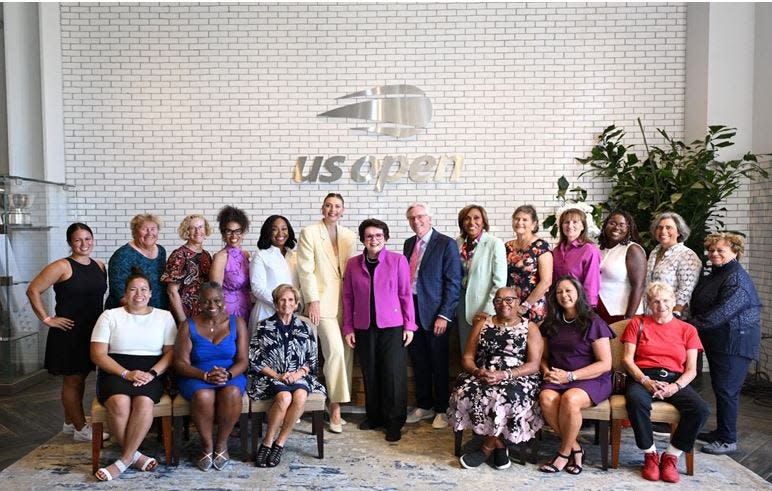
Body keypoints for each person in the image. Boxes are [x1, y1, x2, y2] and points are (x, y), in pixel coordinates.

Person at [89, 269, 177, 481]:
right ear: (125, 294)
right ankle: (135, 457)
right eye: (133, 289)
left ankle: (124, 460)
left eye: (144, 289)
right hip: (115, 370)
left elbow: (171, 353)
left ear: (151, 293)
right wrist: (126, 373)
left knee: (144, 402)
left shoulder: (164, 316)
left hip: (151, 371)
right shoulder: (110, 315)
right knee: (119, 402)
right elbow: (97, 354)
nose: (139, 294)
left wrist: (153, 373)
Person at [621, 282, 710, 484]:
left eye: (666, 300)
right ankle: (650, 455)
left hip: (674, 379)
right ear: (649, 304)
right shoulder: (638, 323)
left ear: (674, 301)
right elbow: (626, 359)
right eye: (656, 301)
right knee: (636, 400)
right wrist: (645, 381)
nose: (661, 305)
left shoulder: (688, 330)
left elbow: (691, 370)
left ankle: (671, 456)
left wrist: (675, 386)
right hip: (643, 375)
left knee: (700, 409)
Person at [26, 223, 108, 442]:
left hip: (91, 332)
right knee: (73, 381)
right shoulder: (62, 266)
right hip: (69, 331)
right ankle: (82, 428)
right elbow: (33, 290)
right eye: (78, 240)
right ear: (70, 243)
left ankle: (70, 423)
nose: (84, 244)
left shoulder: (100, 265)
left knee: (81, 379)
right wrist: (47, 319)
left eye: (88, 239)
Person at [448, 286, 544, 470]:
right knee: (465, 391)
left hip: (519, 376)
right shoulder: (482, 324)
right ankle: (500, 446)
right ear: (494, 304)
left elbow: (534, 365)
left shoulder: (529, 327)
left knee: (504, 396)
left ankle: (486, 448)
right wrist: (477, 372)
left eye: (509, 299)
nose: (504, 304)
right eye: (498, 300)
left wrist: (506, 374)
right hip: (483, 373)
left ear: (518, 302)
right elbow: (467, 358)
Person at [343, 219, 416, 442]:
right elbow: (348, 297)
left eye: (378, 235)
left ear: (385, 237)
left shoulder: (398, 260)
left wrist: (409, 325)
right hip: (364, 326)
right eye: (369, 236)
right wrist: (348, 327)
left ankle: (394, 422)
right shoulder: (353, 263)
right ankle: (374, 417)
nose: (373, 239)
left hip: (393, 326)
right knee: (370, 372)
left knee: (393, 374)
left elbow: (405, 294)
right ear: (363, 239)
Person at [690, 232, 762, 455]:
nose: (714, 254)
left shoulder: (737, 279)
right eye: (712, 250)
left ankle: (729, 439)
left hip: (734, 342)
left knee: (727, 390)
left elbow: (722, 313)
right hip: (719, 339)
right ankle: (721, 431)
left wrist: (687, 326)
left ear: (735, 252)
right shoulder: (718, 273)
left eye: (720, 250)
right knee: (721, 388)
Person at [538, 276, 615, 474]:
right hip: (559, 377)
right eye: (559, 292)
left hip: (591, 378)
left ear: (579, 293)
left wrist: (571, 376)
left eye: (569, 290)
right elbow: (543, 357)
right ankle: (576, 447)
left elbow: (606, 363)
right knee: (546, 398)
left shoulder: (593, 321)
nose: (564, 295)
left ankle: (564, 453)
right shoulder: (551, 322)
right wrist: (546, 371)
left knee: (571, 399)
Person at [296, 193, 357, 433]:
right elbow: (305, 270)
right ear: (323, 208)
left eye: (337, 206)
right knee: (335, 351)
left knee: (347, 353)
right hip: (321, 304)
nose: (333, 209)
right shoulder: (310, 232)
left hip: (347, 303)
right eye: (329, 205)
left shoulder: (349, 236)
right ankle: (334, 408)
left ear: (343, 210)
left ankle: (336, 400)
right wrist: (312, 300)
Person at [248, 284, 326, 467]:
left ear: (297, 303)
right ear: (276, 303)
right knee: (284, 397)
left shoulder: (305, 328)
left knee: (299, 396)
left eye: (290, 300)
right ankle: (267, 442)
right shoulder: (263, 326)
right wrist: (277, 376)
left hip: (300, 377)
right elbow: (254, 358)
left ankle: (279, 443)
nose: (286, 303)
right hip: (271, 377)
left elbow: (312, 360)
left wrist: (298, 373)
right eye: (282, 299)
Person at [174, 282, 248, 471]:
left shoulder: (237, 323)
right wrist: (204, 375)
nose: (212, 305)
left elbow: (243, 360)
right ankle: (206, 445)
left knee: (231, 393)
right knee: (203, 396)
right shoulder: (188, 325)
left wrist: (228, 374)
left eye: (217, 300)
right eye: (206, 301)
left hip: (230, 374)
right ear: (198, 303)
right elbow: (181, 363)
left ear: (224, 301)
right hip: (196, 376)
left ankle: (222, 443)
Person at [403, 203, 462, 429]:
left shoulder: (446, 244)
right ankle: (424, 404)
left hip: (436, 312)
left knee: (438, 362)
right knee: (419, 361)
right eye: (411, 218)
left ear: (429, 218)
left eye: (419, 217)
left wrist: (444, 315)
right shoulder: (409, 243)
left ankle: (441, 409)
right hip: (413, 309)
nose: (416, 221)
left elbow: (453, 282)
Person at [455, 204, 507, 350]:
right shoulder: (457, 243)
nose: (472, 222)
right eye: (467, 218)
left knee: (484, 350)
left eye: (476, 218)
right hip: (460, 304)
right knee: (465, 348)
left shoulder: (494, 243)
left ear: (483, 221)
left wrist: (488, 309)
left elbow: (500, 282)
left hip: (483, 306)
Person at [105, 214, 168, 310]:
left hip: (157, 311)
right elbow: (120, 293)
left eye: (153, 229)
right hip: (129, 313)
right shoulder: (122, 255)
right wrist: (142, 312)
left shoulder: (161, 251)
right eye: (144, 229)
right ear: (135, 232)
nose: (149, 233)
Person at [646, 212, 701, 318]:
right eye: (659, 227)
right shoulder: (655, 252)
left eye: (669, 227)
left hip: (671, 316)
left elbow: (686, 291)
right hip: (651, 314)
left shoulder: (687, 255)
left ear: (679, 232)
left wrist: (674, 315)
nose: (663, 231)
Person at [249, 215, 299, 329]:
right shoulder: (261, 255)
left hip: (292, 314)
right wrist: (281, 304)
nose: (280, 233)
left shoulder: (294, 256)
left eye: (284, 229)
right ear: (268, 232)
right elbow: (257, 288)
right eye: (274, 229)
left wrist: (292, 306)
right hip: (266, 313)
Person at [161, 214, 213, 323]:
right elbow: (172, 291)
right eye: (192, 228)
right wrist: (183, 320)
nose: (197, 231)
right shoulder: (179, 255)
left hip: (202, 312)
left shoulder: (206, 255)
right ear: (187, 231)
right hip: (184, 313)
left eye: (200, 227)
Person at [504, 204, 552, 323]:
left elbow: (546, 281)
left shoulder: (541, 246)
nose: (520, 222)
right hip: (510, 306)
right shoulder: (507, 246)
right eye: (517, 218)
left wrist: (525, 306)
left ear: (534, 224)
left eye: (525, 219)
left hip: (533, 306)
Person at [597, 210, 646, 323]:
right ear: (605, 226)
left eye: (622, 225)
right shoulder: (599, 249)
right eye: (612, 223)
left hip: (623, 313)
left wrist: (628, 318)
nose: (616, 227)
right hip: (601, 312)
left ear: (629, 228)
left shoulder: (633, 249)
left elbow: (639, 286)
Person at [551, 207, 601, 307]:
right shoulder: (555, 251)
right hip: (558, 304)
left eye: (575, 222)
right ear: (561, 226)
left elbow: (592, 282)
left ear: (583, 226)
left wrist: (588, 308)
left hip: (580, 305)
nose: (570, 225)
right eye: (566, 222)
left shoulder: (589, 250)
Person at [210, 206, 253, 319]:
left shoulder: (246, 255)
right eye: (229, 231)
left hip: (246, 305)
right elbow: (215, 291)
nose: (234, 235)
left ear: (243, 233)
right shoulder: (221, 257)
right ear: (223, 235)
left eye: (238, 231)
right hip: (228, 309)